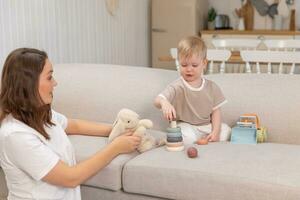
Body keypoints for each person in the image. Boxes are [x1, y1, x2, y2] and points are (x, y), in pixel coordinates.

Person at [0, 48, 141, 200]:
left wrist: (116, 130)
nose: (55, 83)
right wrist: (116, 147)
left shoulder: (39, 112)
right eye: (49, 77)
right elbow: (70, 178)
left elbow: (73, 125)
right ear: (29, 84)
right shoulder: (16, 135)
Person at [154, 36, 231, 145]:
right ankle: (187, 140)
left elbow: (216, 112)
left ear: (204, 64)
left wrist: (215, 131)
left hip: (205, 126)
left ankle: (205, 138)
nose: (189, 69)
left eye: (194, 65)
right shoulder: (177, 86)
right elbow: (157, 100)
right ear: (179, 62)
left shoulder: (212, 87)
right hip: (186, 126)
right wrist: (164, 102)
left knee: (226, 130)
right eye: (184, 65)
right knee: (185, 135)